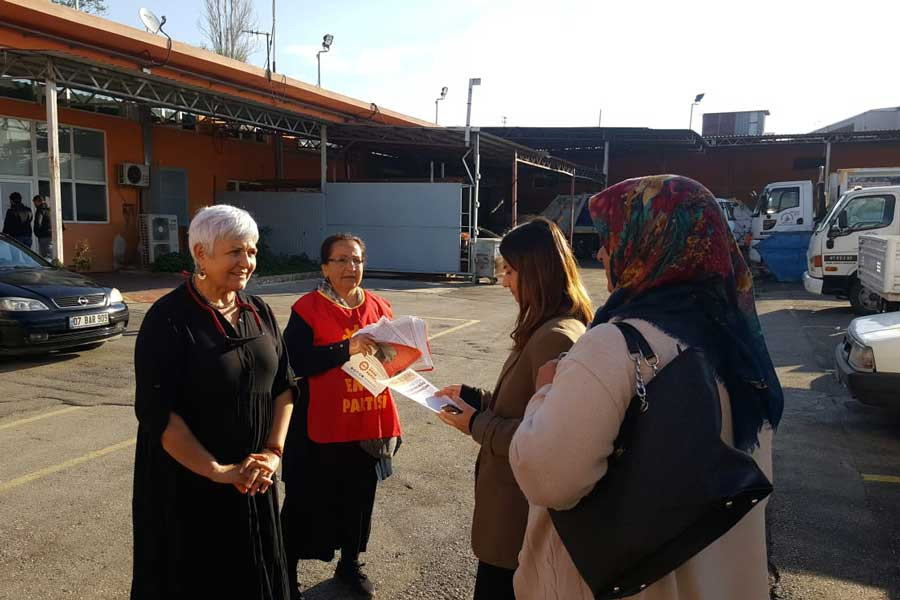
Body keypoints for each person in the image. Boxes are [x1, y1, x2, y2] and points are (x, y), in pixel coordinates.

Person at [509, 175, 784, 600]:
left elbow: (547, 478)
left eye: (611, 239)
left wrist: (545, 391)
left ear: (649, 243)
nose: (601, 252)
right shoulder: (740, 351)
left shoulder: (614, 343)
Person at [131, 205, 297, 600]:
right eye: (235, 251)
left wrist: (273, 453)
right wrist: (218, 471)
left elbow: (284, 387)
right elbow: (158, 413)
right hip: (189, 487)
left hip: (253, 480)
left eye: (252, 251)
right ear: (201, 254)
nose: (247, 262)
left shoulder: (259, 311)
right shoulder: (169, 319)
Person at [435, 217, 593, 599]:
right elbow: (524, 406)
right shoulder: (547, 327)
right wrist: (476, 398)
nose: (503, 281)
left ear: (536, 271)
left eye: (509, 271)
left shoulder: (555, 337)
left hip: (517, 523)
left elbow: (546, 442)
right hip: (511, 517)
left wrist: (476, 423)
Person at [280, 233, 401, 600]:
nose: (352, 267)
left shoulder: (379, 306)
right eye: (342, 260)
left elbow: (390, 360)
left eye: (357, 260)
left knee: (358, 501)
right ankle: (285, 573)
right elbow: (293, 363)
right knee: (304, 503)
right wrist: (345, 349)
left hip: (366, 424)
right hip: (318, 426)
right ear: (325, 268)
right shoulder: (307, 309)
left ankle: (350, 564)